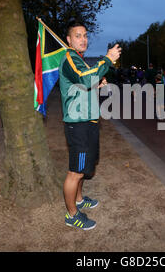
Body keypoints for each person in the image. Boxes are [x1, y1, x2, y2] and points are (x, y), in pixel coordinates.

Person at [59, 19, 121, 230]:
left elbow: (85, 83)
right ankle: (71, 215)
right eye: (78, 35)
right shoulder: (69, 57)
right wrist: (107, 59)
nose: (83, 39)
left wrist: (97, 83)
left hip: (89, 121)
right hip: (78, 124)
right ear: (69, 39)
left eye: (85, 35)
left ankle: (79, 199)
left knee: (84, 167)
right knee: (75, 171)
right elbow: (85, 79)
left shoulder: (80, 59)